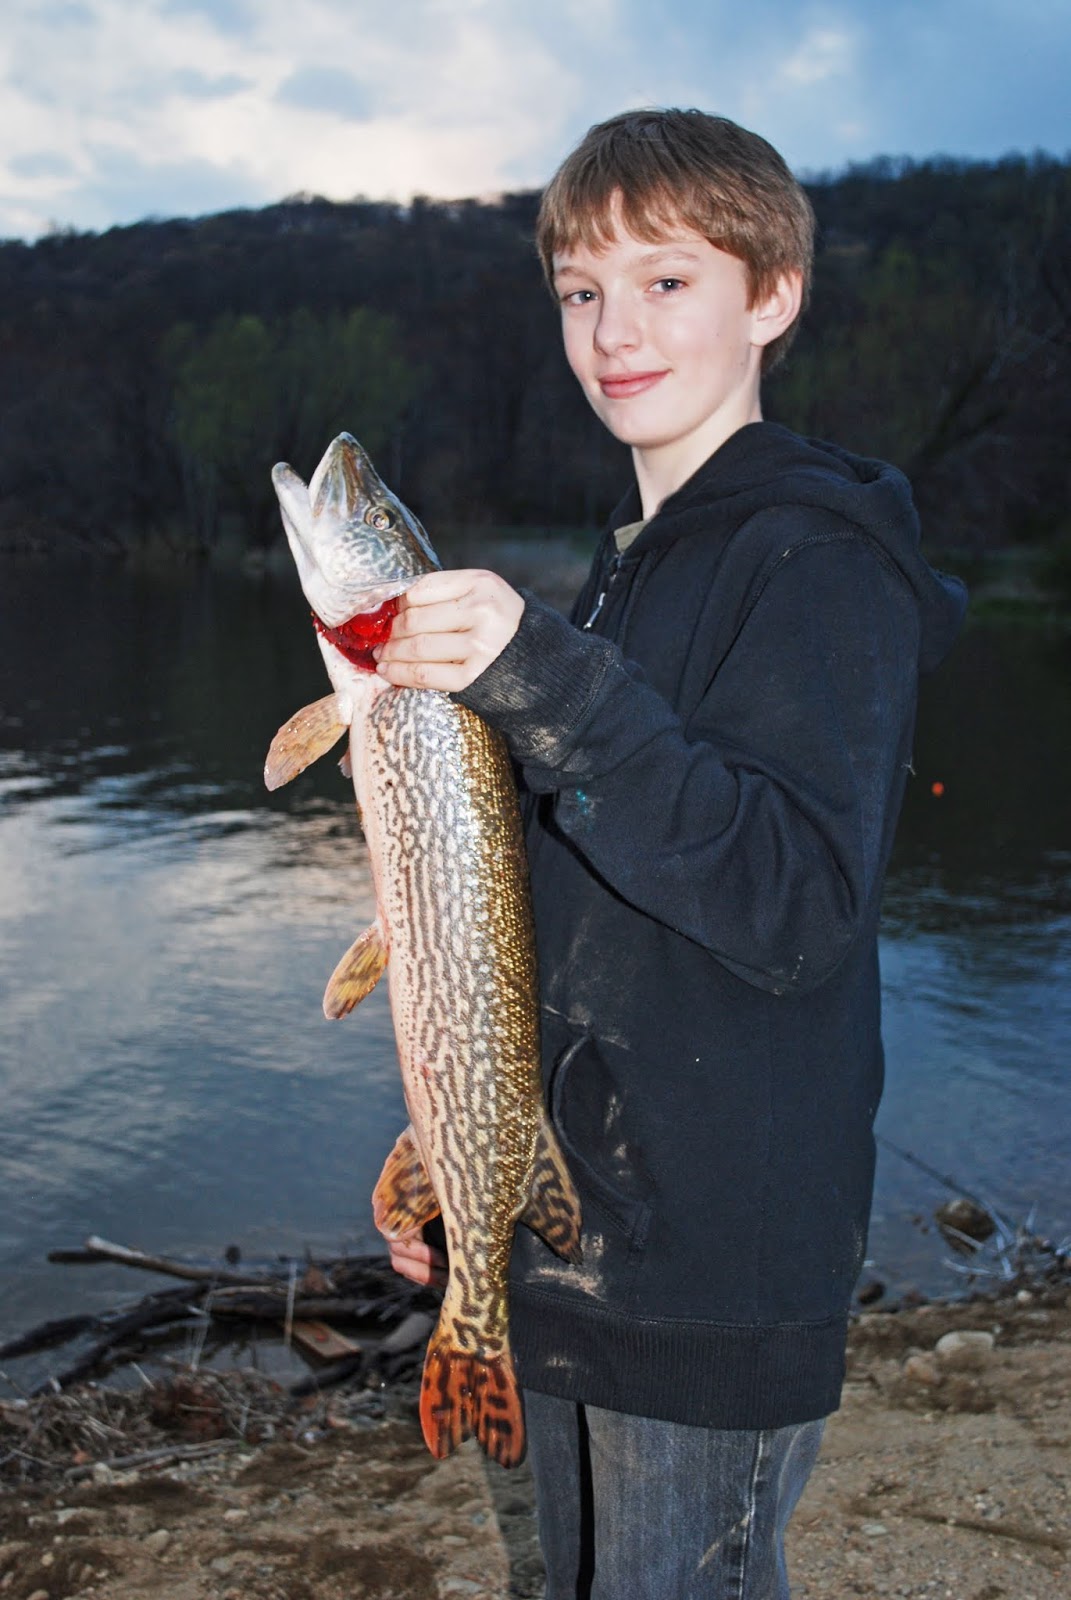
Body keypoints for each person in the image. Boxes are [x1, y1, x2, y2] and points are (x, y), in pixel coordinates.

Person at [373, 108, 966, 1598]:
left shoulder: (819, 559)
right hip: (585, 1232)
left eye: (666, 281)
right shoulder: (627, 578)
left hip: (713, 1266)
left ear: (772, 297)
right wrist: (466, 1166)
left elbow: (795, 901)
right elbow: (555, 923)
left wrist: (548, 680)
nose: (613, 330)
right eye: (581, 290)